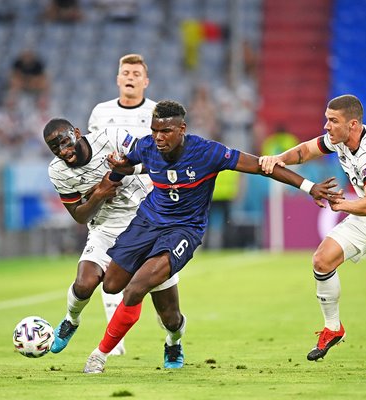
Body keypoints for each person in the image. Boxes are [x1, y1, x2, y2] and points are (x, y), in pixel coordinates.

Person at [81, 100, 340, 373]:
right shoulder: (146, 145)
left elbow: (259, 166)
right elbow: (128, 164)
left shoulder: (207, 152)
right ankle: (175, 331)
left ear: (182, 129)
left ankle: (101, 354)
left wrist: (308, 186)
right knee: (111, 286)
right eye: (155, 130)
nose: (159, 137)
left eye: (166, 131)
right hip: (147, 222)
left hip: (184, 229)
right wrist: (118, 167)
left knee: (135, 289)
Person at [259, 94, 366, 370]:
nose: (326, 126)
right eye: (326, 119)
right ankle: (333, 328)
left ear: (352, 124)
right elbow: (307, 150)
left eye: (332, 121)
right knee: (322, 260)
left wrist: (341, 204)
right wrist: (279, 159)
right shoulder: (342, 140)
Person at [44, 118, 181, 366]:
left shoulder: (111, 137)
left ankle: (174, 342)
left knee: (170, 317)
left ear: (76, 133)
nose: (63, 152)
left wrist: (128, 169)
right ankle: (70, 321)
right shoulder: (57, 170)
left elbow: (153, 158)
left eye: (64, 142)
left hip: (146, 223)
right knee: (84, 283)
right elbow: (78, 215)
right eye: (55, 148)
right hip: (105, 228)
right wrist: (99, 193)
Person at [83, 53, 159, 356]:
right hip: (112, 204)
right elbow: (90, 156)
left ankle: (169, 320)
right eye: (125, 72)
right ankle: (116, 342)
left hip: (150, 204)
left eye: (136, 73)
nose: (130, 77)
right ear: (117, 78)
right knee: (108, 267)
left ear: (145, 80)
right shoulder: (101, 113)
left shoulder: (156, 113)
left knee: (155, 276)